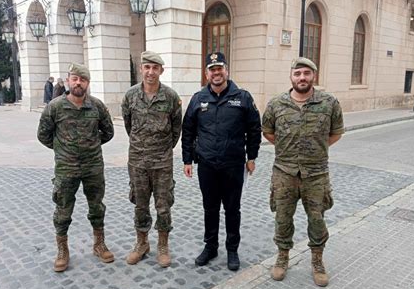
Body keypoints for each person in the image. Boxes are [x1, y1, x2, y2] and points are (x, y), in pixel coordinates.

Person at [262, 57, 345, 287]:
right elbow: (267, 131)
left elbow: (336, 132)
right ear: (291, 76)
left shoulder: (328, 103)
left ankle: (317, 260)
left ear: (313, 76)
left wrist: (316, 148)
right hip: (284, 173)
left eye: (307, 73)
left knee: (317, 219)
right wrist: (288, 148)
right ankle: (282, 256)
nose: (302, 78)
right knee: (282, 217)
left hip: (316, 174)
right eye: (298, 73)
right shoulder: (277, 104)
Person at [182, 52, 261, 271]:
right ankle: (211, 246)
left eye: (220, 68)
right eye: (212, 69)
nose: (216, 73)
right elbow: (187, 129)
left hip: (233, 164)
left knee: (232, 209)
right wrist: (187, 159)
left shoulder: (242, 97)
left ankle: (232, 249)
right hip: (206, 164)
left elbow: (254, 128)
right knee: (210, 208)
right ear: (206, 73)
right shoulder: (198, 99)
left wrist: (251, 156)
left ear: (226, 70)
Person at [37, 63, 115, 272]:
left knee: (97, 207)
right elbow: (43, 135)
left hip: (93, 167)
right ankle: (63, 250)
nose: (78, 82)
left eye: (82, 79)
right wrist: (63, 149)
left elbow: (108, 132)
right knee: (63, 209)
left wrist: (91, 146)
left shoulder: (97, 106)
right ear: (69, 80)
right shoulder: (55, 106)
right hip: (66, 168)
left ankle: (99, 244)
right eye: (74, 79)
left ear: (88, 83)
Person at [121, 51, 182, 268]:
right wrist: (142, 147)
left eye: (155, 68)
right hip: (137, 161)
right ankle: (142, 243)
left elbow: (177, 129)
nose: (150, 72)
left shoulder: (171, 97)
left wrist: (162, 149)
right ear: (141, 69)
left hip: (162, 162)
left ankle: (163, 245)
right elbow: (129, 126)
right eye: (147, 67)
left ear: (161, 71)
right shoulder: (130, 96)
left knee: (163, 205)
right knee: (140, 204)